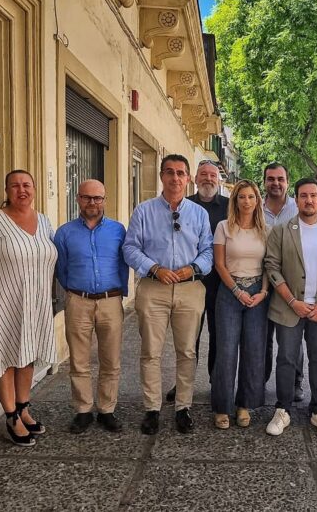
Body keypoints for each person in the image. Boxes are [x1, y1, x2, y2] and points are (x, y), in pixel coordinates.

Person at [123, 154, 213, 435]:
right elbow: (130, 248)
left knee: (187, 351)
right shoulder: (143, 211)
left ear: (188, 179)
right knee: (151, 351)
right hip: (154, 288)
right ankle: (152, 408)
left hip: (189, 289)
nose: (175, 178)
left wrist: (193, 268)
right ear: (162, 176)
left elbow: (208, 251)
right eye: (170, 172)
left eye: (181, 173)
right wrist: (154, 268)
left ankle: (183, 407)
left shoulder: (199, 214)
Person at [0, 170, 58, 447]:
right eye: (15, 186)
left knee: (26, 355)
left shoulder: (44, 221)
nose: (22, 190)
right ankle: (10, 416)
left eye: (26, 185)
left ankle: (23, 408)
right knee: (4, 357)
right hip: (3, 303)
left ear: (34, 189)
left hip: (35, 303)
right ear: (7, 190)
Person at [264, 178, 317, 436]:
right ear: (296, 199)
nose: (309, 200)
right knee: (286, 358)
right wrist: (292, 301)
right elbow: (272, 267)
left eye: (313, 195)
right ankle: (283, 409)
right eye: (303, 195)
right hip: (289, 307)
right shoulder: (281, 230)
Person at [55, 179, 129, 434]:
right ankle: (83, 410)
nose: (92, 202)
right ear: (78, 199)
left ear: (104, 200)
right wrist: (75, 291)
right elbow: (61, 269)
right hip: (78, 301)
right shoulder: (64, 233)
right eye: (87, 197)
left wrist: (120, 294)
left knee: (111, 359)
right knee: (79, 359)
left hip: (111, 301)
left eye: (98, 198)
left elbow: (123, 264)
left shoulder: (118, 230)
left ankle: (107, 409)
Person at [166, 160, 228, 403]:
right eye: (203, 174)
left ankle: (216, 382)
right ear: (194, 178)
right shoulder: (184, 204)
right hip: (189, 282)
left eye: (212, 175)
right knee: (187, 338)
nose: (208, 179)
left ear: (218, 180)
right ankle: (183, 384)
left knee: (219, 336)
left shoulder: (230, 206)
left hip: (220, 283)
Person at [211, 180, 269, 429]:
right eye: (242, 197)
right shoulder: (224, 227)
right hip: (229, 291)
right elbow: (219, 264)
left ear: (257, 201)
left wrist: (264, 292)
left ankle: (244, 405)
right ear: (235, 201)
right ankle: (222, 407)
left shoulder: (265, 231)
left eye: (251, 197)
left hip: (257, 293)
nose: (247, 201)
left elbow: (269, 265)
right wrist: (236, 291)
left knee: (254, 351)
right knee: (226, 351)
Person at [262, 162, 304, 401]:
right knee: (263, 337)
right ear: (264, 182)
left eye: (280, 179)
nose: (275, 183)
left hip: (291, 283)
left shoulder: (297, 208)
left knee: (292, 337)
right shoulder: (255, 208)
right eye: (271, 179)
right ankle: (261, 379)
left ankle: (295, 381)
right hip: (260, 282)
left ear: (287, 182)